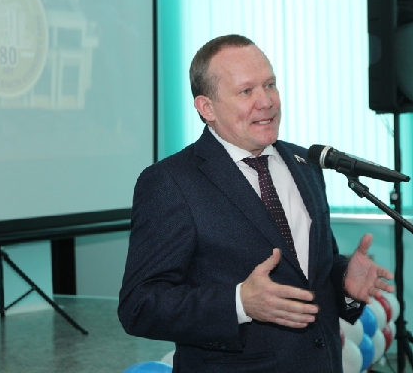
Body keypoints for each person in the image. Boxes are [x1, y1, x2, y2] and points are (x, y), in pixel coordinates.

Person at [118, 34, 394, 372]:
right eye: (246, 91)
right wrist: (239, 303)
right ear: (207, 108)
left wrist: (344, 281)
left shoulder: (305, 164)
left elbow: (309, 272)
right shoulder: (170, 182)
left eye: (270, 85)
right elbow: (139, 306)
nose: (266, 101)